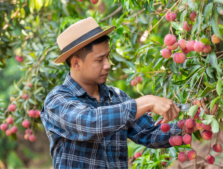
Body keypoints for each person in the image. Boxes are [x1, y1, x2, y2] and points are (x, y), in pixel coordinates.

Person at [40, 17, 182, 169]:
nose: (108, 65)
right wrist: (147, 101)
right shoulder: (56, 101)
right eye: (100, 60)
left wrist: (194, 121)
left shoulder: (117, 97)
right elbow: (91, 122)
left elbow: (150, 134)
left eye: (107, 56)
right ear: (76, 63)